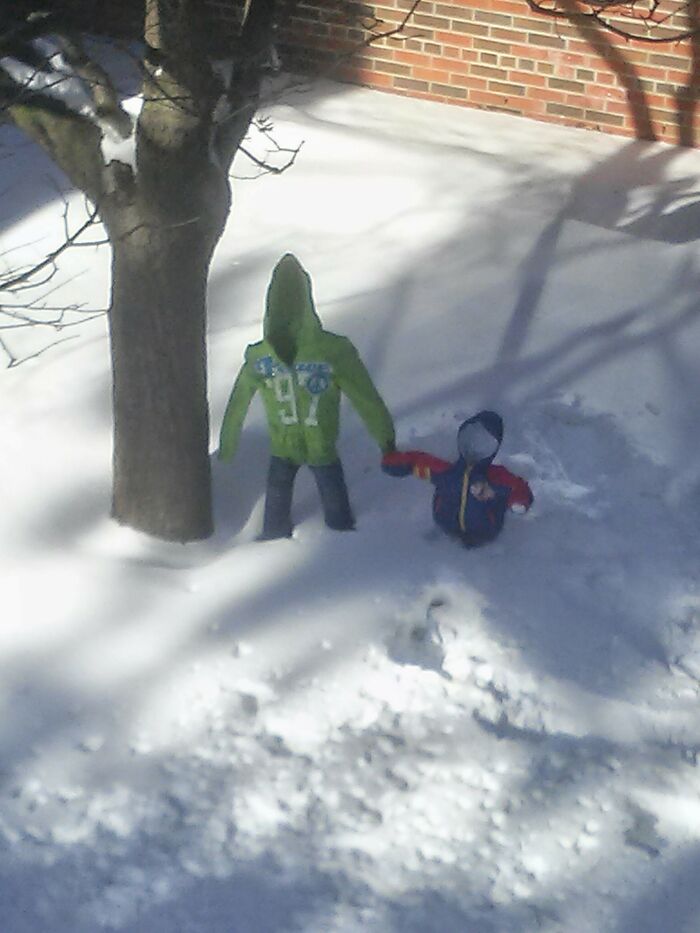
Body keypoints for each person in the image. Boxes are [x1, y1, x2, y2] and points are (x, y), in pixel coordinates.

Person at [219, 253, 395, 539]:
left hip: (319, 446)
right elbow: (239, 400)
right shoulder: (261, 357)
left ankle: (342, 538)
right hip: (284, 446)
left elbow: (365, 396)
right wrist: (228, 445)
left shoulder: (331, 352)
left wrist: (385, 438)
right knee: (283, 503)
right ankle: (283, 538)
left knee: (331, 504)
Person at [382, 410, 533, 548]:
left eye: (485, 444)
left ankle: (479, 554)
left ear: (493, 448)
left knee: (477, 552)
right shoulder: (447, 471)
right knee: (430, 547)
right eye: (470, 440)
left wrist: (517, 500)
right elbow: (418, 462)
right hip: (445, 523)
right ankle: (438, 542)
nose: (475, 448)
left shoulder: (495, 477)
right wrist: (398, 463)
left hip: (484, 532)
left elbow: (519, 488)